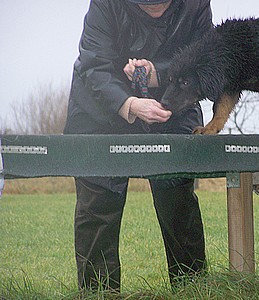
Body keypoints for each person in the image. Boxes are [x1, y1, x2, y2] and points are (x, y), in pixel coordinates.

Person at [63, 0, 213, 292]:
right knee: (99, 200)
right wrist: (129, 103)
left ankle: (192, 290)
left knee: (177, 195)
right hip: (100, 106)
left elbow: (205, 59)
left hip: (173, 99)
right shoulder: (105, 5)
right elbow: (95, 64)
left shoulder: (196, 5)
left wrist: (159, 73)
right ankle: (99, 295)